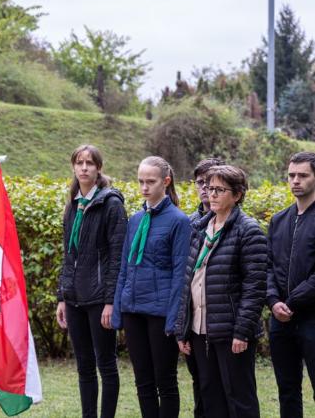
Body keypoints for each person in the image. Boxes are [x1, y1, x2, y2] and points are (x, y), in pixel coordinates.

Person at [175, 165, 266, 418]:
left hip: (231, 333)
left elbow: (255, 288)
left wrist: (242, 332)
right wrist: (183, 328)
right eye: (209, 188)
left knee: (239, 399)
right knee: (210, 396)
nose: (211, 194)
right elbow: (188, 282)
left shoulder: (248, 231)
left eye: (219, 190)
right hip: (200, 330)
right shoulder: (200, 228)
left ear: (237, 195)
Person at [111, 156, 190, 418]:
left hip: (160, 313)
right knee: (142, 381)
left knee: (165, 381)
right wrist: (119, 310)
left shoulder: (179, 221)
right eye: (141, 181)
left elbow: (181, 274)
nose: (144, 187)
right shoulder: (135, 220)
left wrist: (174, 320)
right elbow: (125, 267)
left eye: (151, 182)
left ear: (166, 182)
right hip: (134, 309)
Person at [55, 145, 127, 418]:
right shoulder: (73, 204)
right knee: (84, 366)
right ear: (73, 167)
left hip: (99, 299)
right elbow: (68, 254)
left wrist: (111, 301)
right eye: (79, 162)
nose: (84, 167)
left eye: (90, 163)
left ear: (98, 168)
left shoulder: (111, 204)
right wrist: (62, 296)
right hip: (74, 298)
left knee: (106, 365)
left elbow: (117, 258)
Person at [266, 152, 315, 418]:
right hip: (280, 321)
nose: (295, 181)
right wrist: (274, 302)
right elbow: (268, 267)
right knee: (287, 390)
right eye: (291, 175)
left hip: (311, 318)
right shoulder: (278, 220)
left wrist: (291, 302)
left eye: (303, 175)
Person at [185, 157, 224, 417]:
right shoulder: (188, 223)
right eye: (201, 182)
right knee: (198, 380)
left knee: (219, 385)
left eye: (211, 183)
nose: (205, 189)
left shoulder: (233, 222)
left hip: (219, 319)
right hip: (191, 318)